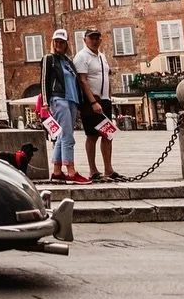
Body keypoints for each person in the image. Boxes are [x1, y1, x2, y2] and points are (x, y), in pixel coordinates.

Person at [40, 30, 103, 184]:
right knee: (68, 136)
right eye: (56, 41)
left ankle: (57, 171)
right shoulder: (49, 59)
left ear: (66, 43)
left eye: (62, 42)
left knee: (62, 136)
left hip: (72, 100)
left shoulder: (68, 62)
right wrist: (45, 103)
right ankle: (71, 171)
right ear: (53, 42)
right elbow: (44, 80)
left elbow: (77, 82)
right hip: (59, 99)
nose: (59, 44)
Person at [73, 30, 124, 181]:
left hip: (104, 100)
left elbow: (105, 76)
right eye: (91, 38)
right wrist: (93, 102)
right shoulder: (81, 56)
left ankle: (108, 169)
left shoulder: (102, 56)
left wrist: (108, 97)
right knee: (92, 135)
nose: (95, 41)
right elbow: (82, 80)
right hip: (91, 101)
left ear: (101, 40)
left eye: (97, 38)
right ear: (85, 40)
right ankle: (93, 170)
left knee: (108, 134)